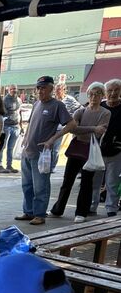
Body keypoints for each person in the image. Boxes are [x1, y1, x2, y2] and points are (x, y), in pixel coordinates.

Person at [45, 82, 110, 222]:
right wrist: (93, 128)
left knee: (86, 183)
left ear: (102, 96)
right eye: (92, 93)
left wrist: (84, 128)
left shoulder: (105, 113)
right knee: (67, 181)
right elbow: (72, 129)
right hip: (76, 149)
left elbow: (101, 132)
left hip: (91, 151)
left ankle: (81, 212)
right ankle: (58, 209)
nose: (94, 96)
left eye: (98, 93)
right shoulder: (80, 111)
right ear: (88, 95)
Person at [15, 75, 72, 226]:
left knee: (41, 186)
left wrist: (53, 139)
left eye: (44, 88)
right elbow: (32, 124)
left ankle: (40, 214)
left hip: (42, 154)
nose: (40, 91)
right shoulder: (36, 104)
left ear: (51, 89)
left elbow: (71, 124)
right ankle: (29, 212)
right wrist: (25, 139)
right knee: (27, 185)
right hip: (28, 151)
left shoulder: (57, 106)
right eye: (39, 88)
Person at [97, 79, 121, 217]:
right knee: (94, 182)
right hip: (97, 150)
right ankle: (91, 206)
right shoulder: (99, 106)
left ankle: (111, 208)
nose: (113, 93)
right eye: (110, 90)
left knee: (112, 181)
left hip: (116, 151)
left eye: (116, 90)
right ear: (105, 92)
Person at [51, 83, 82, 173]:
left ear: (64, 90)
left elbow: (80, 109)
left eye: (59, 89)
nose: (56, 91)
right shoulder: (53, 99)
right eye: (55, 89)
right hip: (50, 127)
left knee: (55, 149)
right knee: (48, 147)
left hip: (61, 128)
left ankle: (52, 167)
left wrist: (72, 120)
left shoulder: (70, 100)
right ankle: (47, 165)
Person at [0, 84, 23, 174]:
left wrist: (21, 126)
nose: (13, 90)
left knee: (11, 148)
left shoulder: (19, 100)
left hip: (16, 127)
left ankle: (9, 165)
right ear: (8, 90)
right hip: (6, 126)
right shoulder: (5, 100)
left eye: (14, 89)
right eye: (11, 89)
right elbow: (1, 113)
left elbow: (19, 112)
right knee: (2, 147)